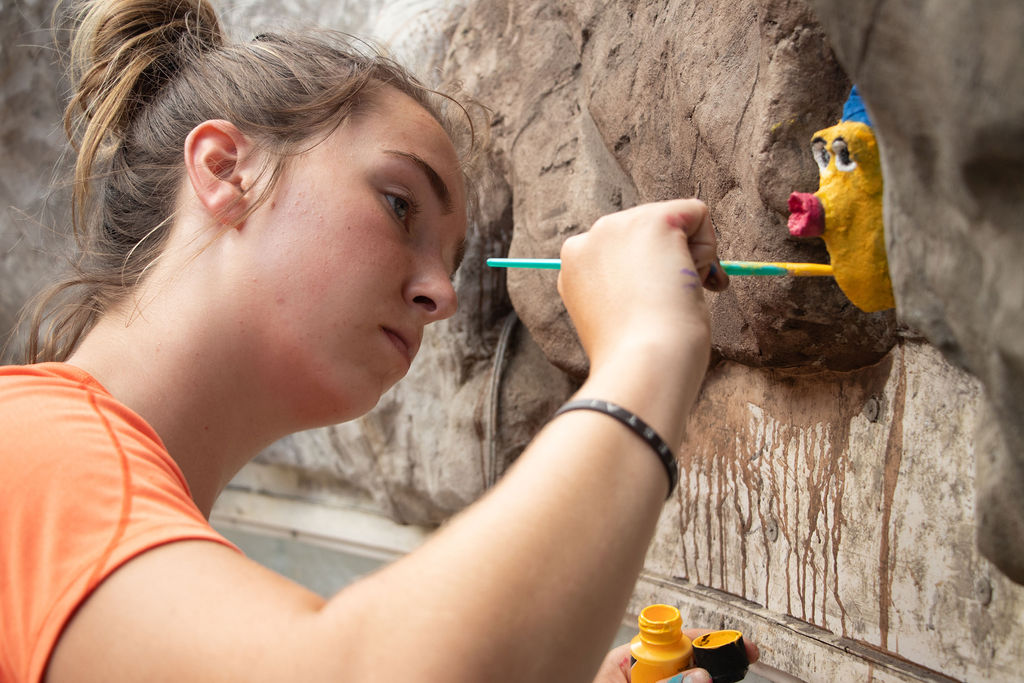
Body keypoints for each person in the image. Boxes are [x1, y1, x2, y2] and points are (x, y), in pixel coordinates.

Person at [0, 0, 755, 681]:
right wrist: (646, 348)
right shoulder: (32, 446)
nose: (443, 295)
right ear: (226, 171)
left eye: (451, 261)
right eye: (399, 205)